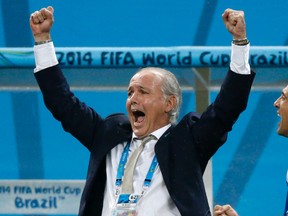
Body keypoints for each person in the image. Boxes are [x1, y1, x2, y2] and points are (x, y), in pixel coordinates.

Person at [29, 6, 255, 216]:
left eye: (143, 92)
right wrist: (42, 40)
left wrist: (239, 42)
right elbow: (63, 104)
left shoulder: (187, 140)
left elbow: (227, 108)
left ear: (170, 103)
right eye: (129, 93)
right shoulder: (109, 133)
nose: (132, 99)